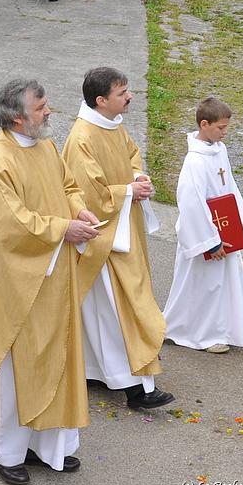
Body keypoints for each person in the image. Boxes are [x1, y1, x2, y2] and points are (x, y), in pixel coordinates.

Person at [0, 79, 101, 485]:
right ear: (17, 117)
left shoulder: (47, 145)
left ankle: (49, 446)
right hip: (18, 284)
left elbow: (67, 186)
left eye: (46, 104)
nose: (49, 112)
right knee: (19, 369)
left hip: (53, 277)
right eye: (41, 108)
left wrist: (80, 211)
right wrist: (62, 229)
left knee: (57, 360)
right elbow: (10, 224)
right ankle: (8, 450)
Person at [62, 67, 175, 410]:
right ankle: (136, 389)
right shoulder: (82, 138)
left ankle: (93, 372)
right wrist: (128, 190)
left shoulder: (113, 126)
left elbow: (130, 156)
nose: (130, 97)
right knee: (118, 312)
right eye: (122, 92)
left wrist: (138, 177)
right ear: (101, 100)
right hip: (104, 240)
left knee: (105, 314)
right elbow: (85, 194)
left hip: (122, 231)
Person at [163, 96, 243, 354]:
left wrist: (235, 224)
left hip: (224, 228)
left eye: (226, 127)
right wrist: (210, 242)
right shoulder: (195, 162)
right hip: (204, 234)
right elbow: (191, 204)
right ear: (204, 124)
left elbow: (229, 186)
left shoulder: (219, 150)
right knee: (205, 285)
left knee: (226, 281)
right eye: (221, 128)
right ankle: (203, 334)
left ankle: (220, 328)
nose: (225, 133)